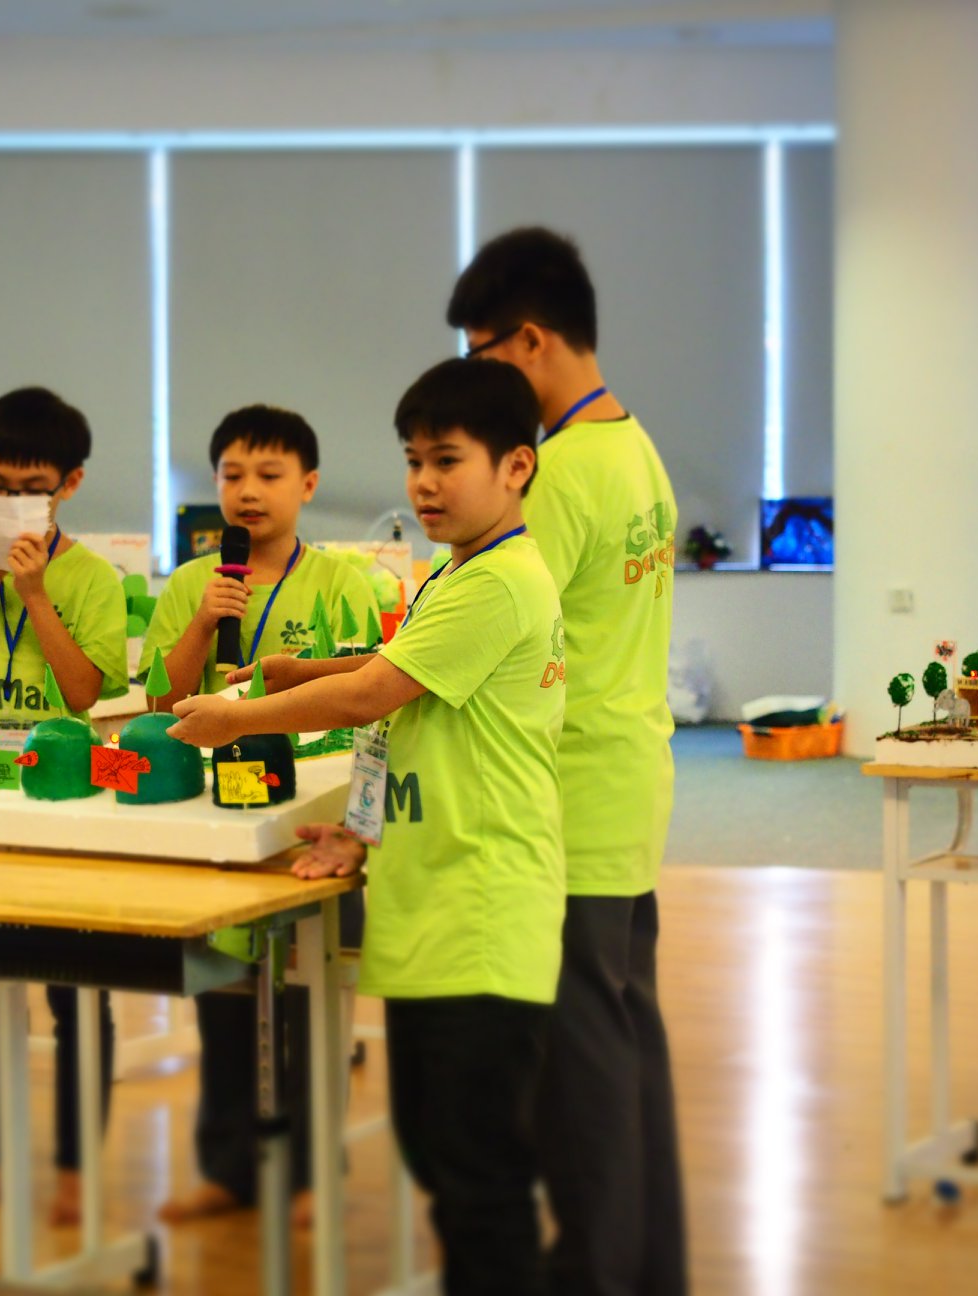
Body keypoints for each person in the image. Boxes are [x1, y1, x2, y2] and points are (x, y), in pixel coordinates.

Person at [170, 357, 566, 1295]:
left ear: (516, 467)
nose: (424, 483)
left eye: (447, 461)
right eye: (414, 461)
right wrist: (350, 814)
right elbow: (401, 692)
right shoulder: (458, 573)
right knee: (439, 1154)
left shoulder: (498, 581)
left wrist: (240, 713)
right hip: (432, 905)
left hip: (480, 913)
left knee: (478, 1179)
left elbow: (373, 693)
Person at [448, 225, 685, 1295]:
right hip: (627, 786)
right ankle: (650, 1269)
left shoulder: (558, 476)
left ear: (531, 340)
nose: (476, 378)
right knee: (626, 1051)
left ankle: (594, 1274)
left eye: (481, 353)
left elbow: (490, 638)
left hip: (566, 797)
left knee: (578, 1074)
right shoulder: (636, 446)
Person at [141, 405, 377, 1225]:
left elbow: (364, 691)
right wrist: (203, 620)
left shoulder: (343, 582)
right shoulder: (190, 584)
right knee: (224, 995)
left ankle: (311, 1170)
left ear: (307, 485)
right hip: (218, 813)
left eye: (269, 475)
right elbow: (161, 701)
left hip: (312, 810)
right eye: (232, 474)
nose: (248, 491)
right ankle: (229, 1168)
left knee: (308, 999)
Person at [0, 386, 130, 1219]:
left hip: (63, 821)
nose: (8, 505)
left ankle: (77, 1169)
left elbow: (82, 694)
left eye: (29, 491)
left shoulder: (94, 579)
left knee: (77, 997)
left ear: (69, 484)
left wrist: (36, 595)